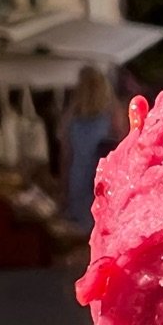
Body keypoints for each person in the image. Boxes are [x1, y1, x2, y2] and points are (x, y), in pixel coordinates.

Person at [61, 66, 126, 233]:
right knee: (101, 230)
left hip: (78, 177)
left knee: (80, 231)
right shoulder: (112, 115)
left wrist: (63, 188)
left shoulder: (72, 117)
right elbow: (124, 148)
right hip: (103, 178)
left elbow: (66, 157)